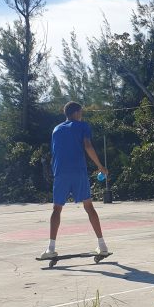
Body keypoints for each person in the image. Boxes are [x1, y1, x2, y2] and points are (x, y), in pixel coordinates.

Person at [41, 101, 110, 259]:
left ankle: (50, 249)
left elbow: (55, 152)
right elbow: (87, 145)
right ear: (77, 113)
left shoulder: (56, 129)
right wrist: (100, 166)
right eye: (81, 112)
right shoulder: (82, 126)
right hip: (78, 172)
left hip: (60, 173)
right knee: (89, 207)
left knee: (56, 209)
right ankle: (102, 245)